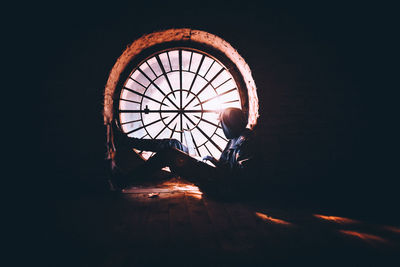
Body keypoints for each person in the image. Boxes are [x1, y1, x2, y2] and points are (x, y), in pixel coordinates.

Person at [110, 107, 256, 197]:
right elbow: (230, 170)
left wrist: (211, 168)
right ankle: (126, 141)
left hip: (216, 184)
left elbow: (239, 181)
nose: (222, 128)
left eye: (222, 124)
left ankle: (123, 181)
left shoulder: (244, 143)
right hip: (215, 176)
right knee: (173, 143)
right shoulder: (238, 137)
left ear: (231, 124)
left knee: (169, 153)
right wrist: (213, 161)